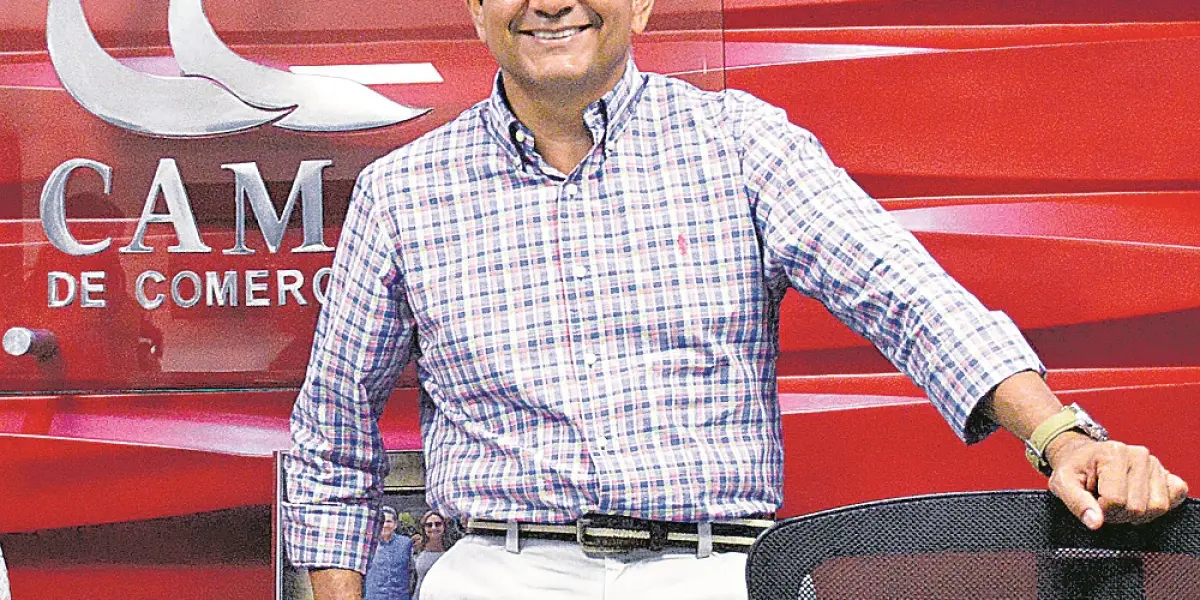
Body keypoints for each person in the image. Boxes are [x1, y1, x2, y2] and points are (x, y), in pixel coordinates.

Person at [283, 1, 1190, 598]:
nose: (550, 3)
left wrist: (1060, 435)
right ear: (475, 8)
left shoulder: (741, 144)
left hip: (710, 573)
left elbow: (908, 298)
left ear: (642, 4)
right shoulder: (403, 191)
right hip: (497, 570)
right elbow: (331, 436)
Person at [363, 507, 413, 600]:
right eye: (381, 522)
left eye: (388, 521)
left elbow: (412, 572)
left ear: (395, 524)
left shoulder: (406, 543)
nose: (385, 525)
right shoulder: (367, 544)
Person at [411, 511, 449, 600]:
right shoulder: (417, 548)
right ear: (424, 528)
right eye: (429, 525)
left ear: (444, 526)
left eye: (438, 524)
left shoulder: (452, 549)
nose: (433, 527)